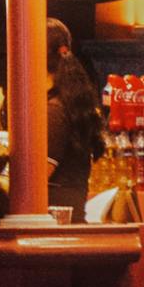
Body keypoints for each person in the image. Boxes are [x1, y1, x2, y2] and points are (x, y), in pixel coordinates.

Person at [46, 18, 105, 221]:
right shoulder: (66, 101)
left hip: (57, 226)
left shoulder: (54, 110)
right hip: (72, 218)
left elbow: (38, 176)